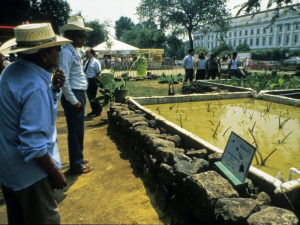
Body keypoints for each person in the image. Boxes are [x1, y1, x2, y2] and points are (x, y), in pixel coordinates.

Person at [0, 23, 71, 224]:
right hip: (30, 175)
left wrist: (54, 90)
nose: (59, 51)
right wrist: (54, 172)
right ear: (44, 56)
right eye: (56, 48)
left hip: (9, 168)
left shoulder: (12, 71)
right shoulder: (36, 86)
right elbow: (33, 144)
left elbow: (28, 113)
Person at [59, 16, 93, 174]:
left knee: (79, 129)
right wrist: (73, 100)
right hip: (74, 94)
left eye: (84, 35)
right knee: (74, 130)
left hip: (79, 92)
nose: (83, 39)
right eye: (80, 35)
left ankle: (78, 156)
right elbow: (63, 80)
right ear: (71, 35)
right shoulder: (66, 52)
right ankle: (76, 165)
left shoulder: (75, 51)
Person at [85, 48, 102, 117]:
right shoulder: (87, 61)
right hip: (87, 80)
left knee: (93, 96)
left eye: (87, 53)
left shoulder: (95, 62)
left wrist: (96, 81)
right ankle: (94, 110)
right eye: (86, 53)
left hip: (93, 80)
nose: (86, 54)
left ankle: (98, 109)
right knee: (90, 96)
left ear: (92, 53)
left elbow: (98, 72)